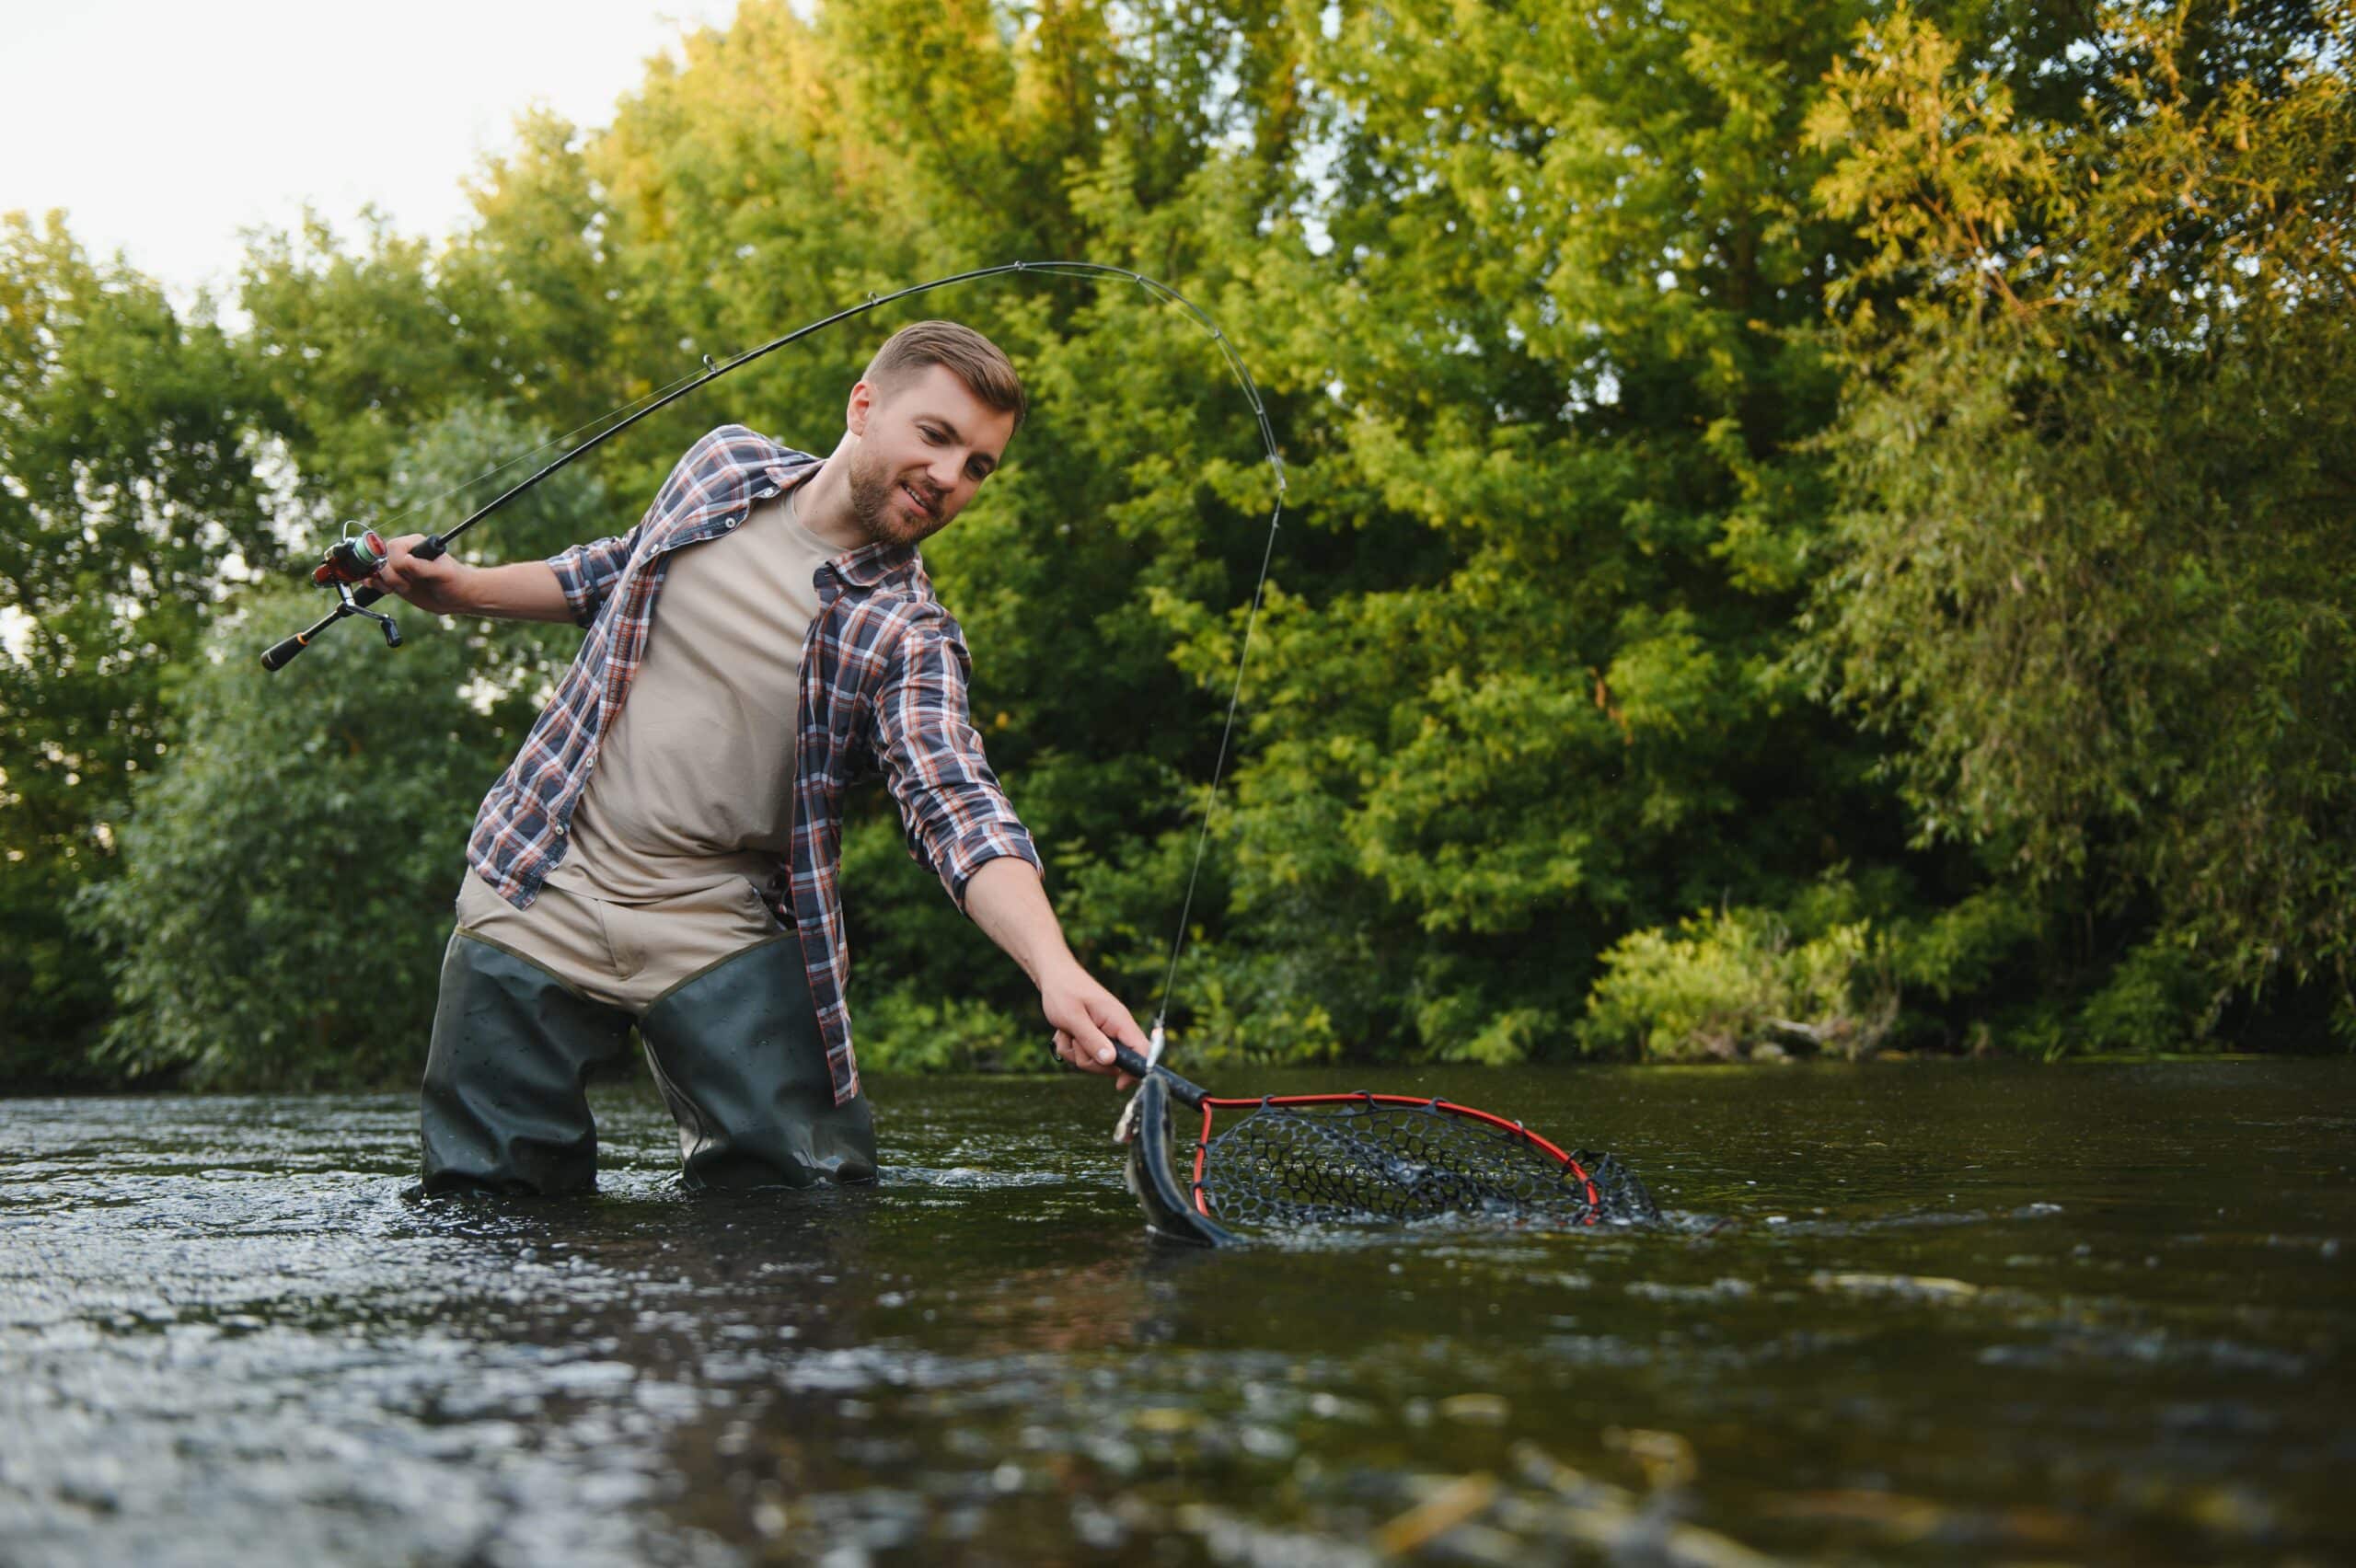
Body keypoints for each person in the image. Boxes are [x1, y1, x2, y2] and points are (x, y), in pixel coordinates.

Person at [371, 320, 1144, 1194]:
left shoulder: (908, 635)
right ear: (864, 405)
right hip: (540, 880)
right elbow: (618, 572)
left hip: (726, 926)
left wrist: (1056, 970)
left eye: (978, 466)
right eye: (936, 436)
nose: (949, 478)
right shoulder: (721, 467)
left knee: (806, 1209)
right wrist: (460, 589)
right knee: (486, 1210)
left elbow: (954, 801)